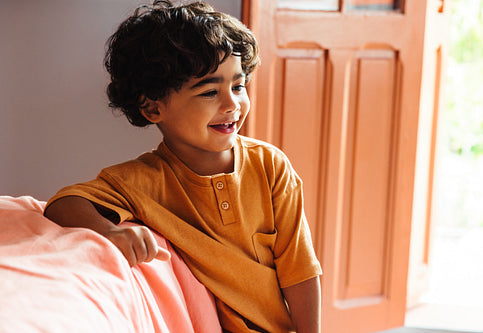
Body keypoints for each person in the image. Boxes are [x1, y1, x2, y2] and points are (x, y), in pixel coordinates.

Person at [44, 1, 322, 332]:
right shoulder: (141, 180)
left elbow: (300, 271)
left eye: (238, 85)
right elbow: (64, 203)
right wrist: (110, 232)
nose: (232, 103)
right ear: (152, 108)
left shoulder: (271, 166)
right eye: (209, 92)